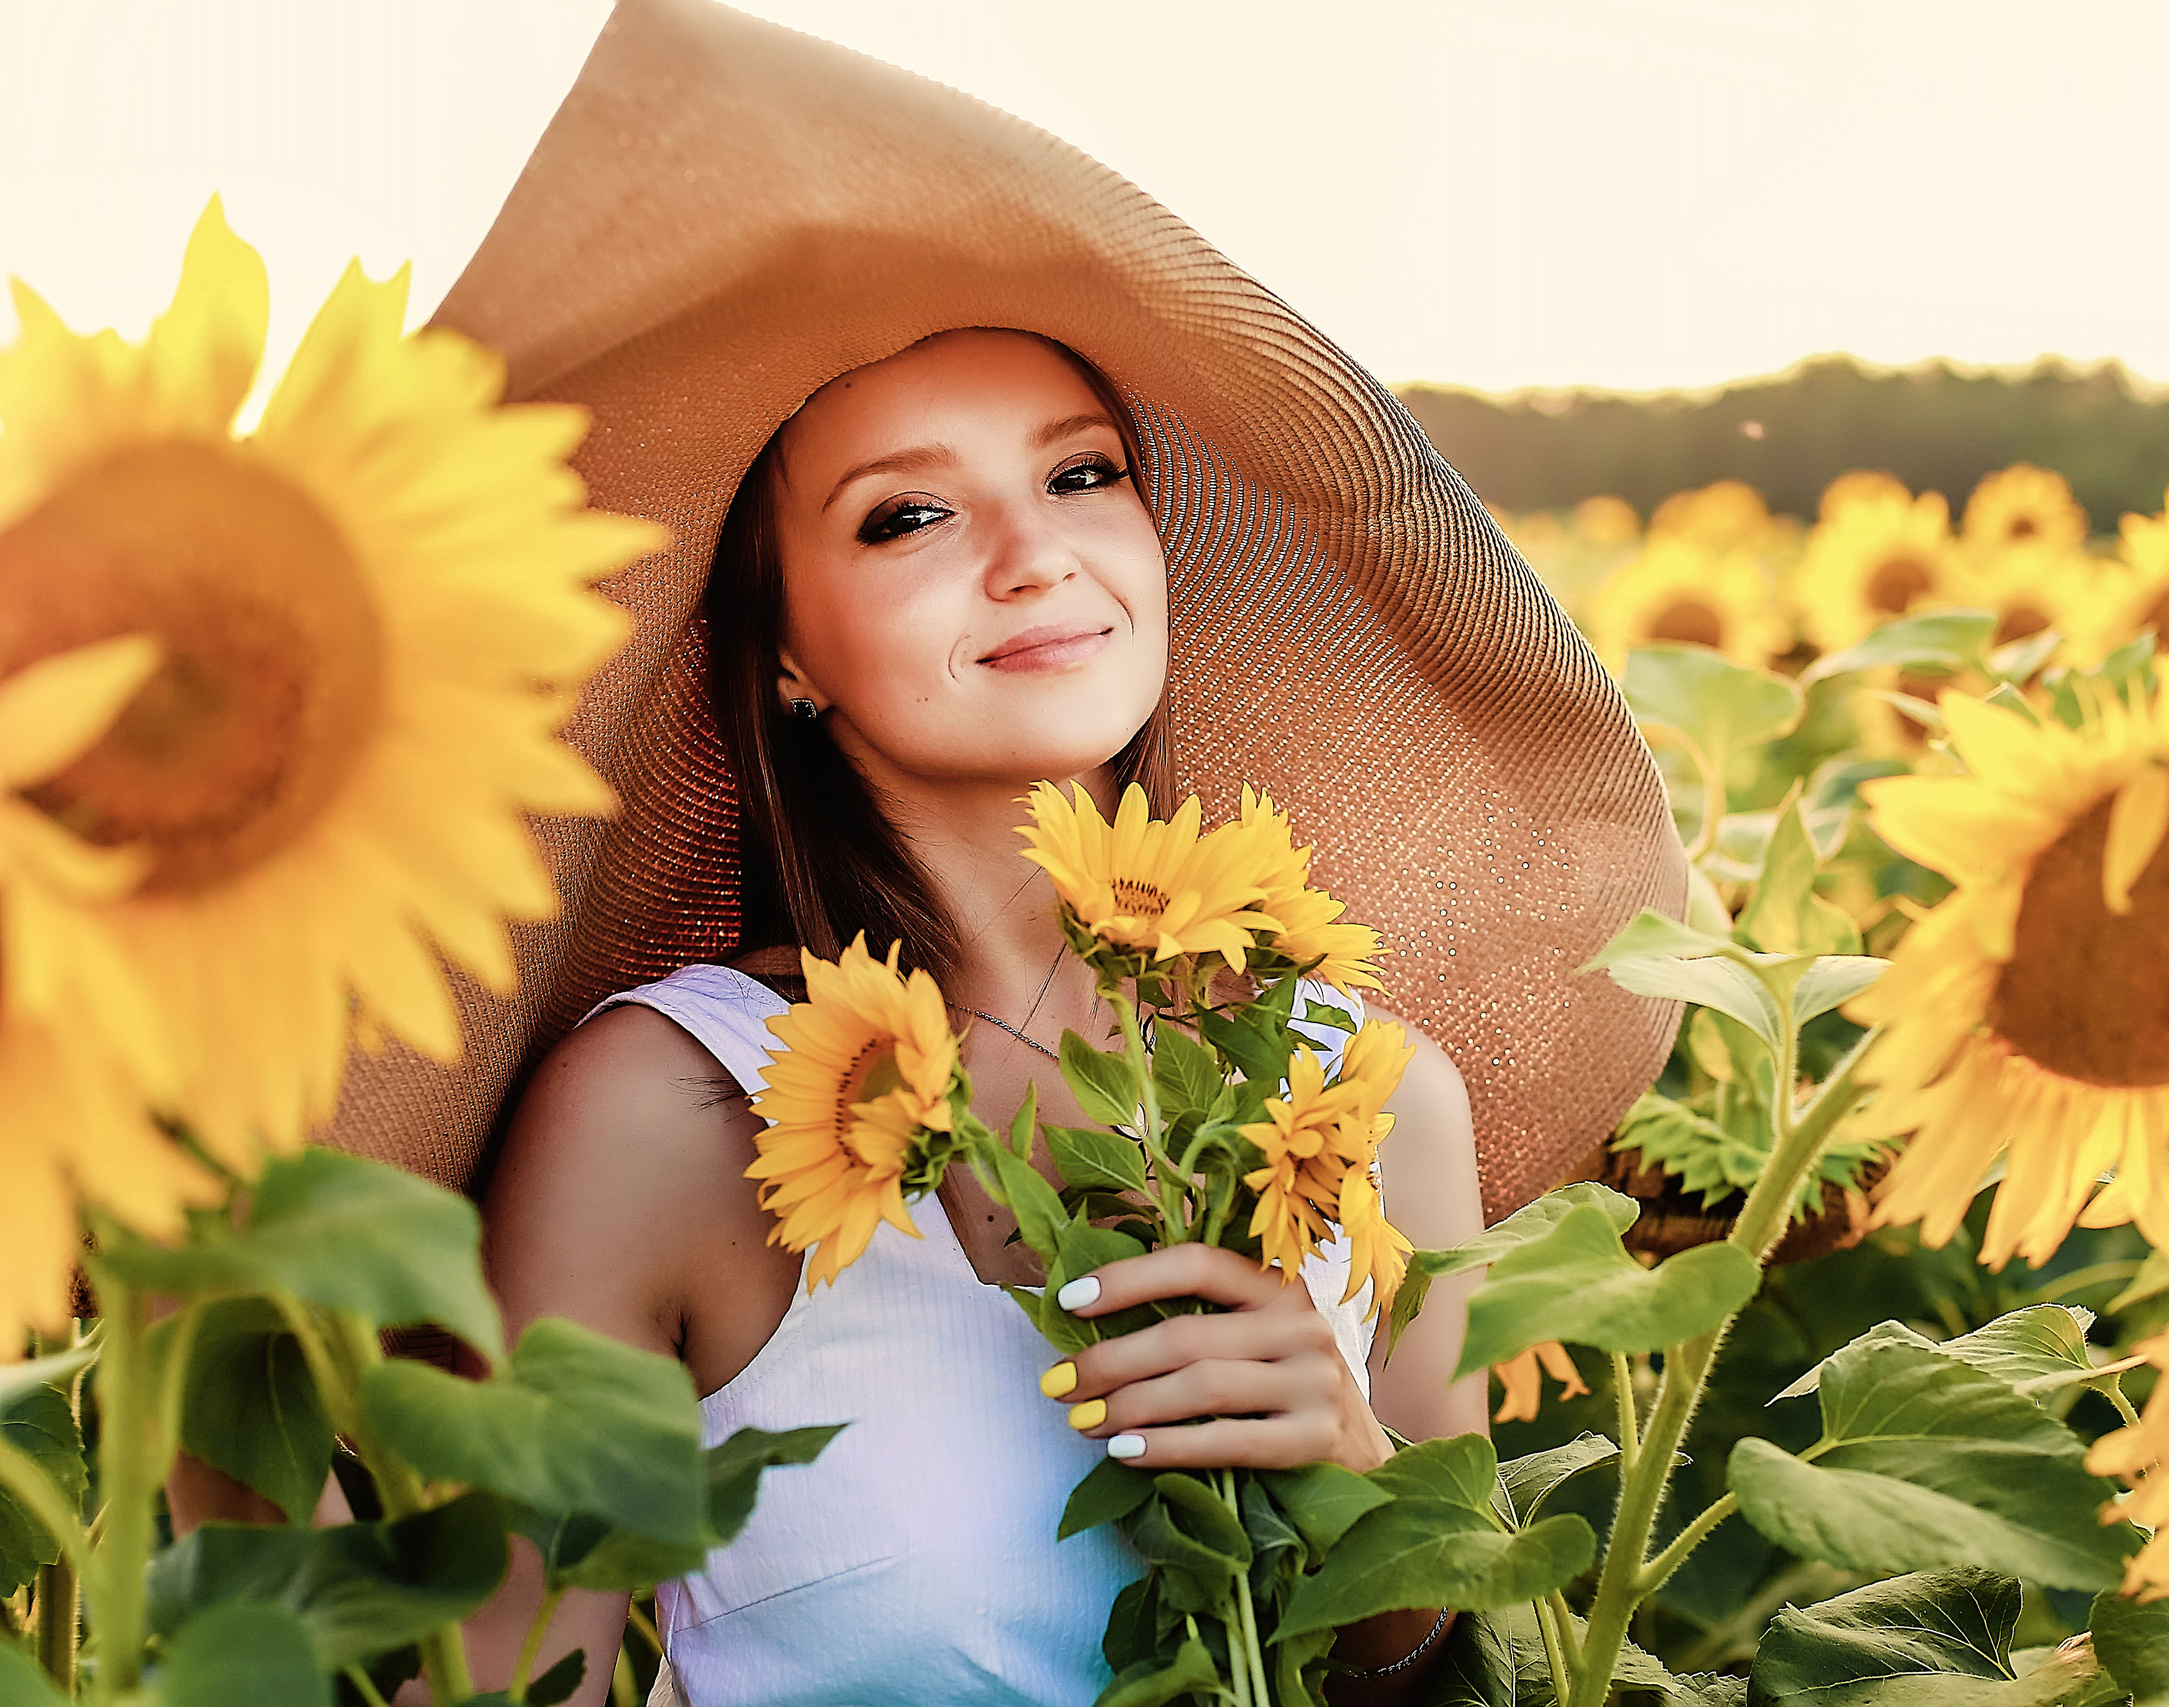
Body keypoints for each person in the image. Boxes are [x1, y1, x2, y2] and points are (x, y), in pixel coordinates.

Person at [350, 0, 1685, 1700]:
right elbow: (501, 1676)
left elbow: (1424, 1674)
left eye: (1084, 474)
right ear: (776, 648)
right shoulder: (668, 1115)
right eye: (909, 513)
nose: (1035, 556)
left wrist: (1354, 1491)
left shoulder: (1374, 1098)